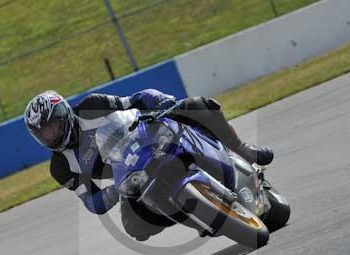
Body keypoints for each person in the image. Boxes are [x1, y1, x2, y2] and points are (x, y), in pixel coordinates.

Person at [23, 89, 273, 241]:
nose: (50, 135)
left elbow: (136, 99)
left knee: (197, 105)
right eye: (42, 133)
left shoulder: (91, 106)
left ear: (63, 114)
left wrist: (163, 102)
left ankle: (243, 149)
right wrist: (112, 193)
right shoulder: (60, 167)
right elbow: (91, 201)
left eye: (52, 125)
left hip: (147, 136)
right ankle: (199, 218)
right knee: (135, 228)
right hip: (130, 174)